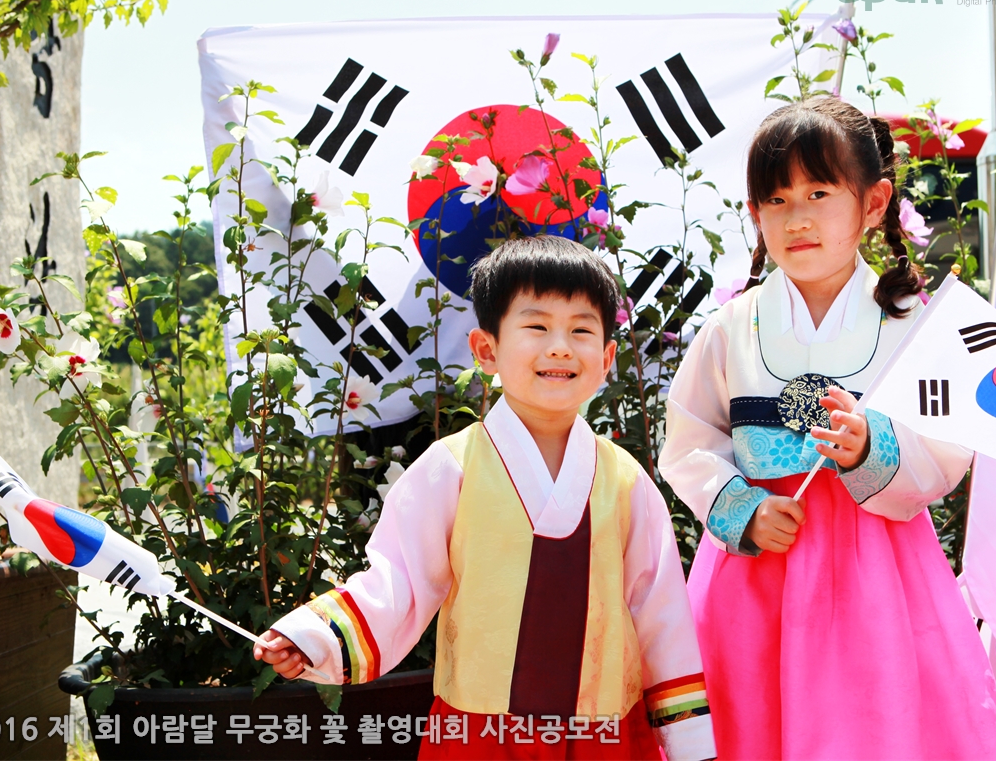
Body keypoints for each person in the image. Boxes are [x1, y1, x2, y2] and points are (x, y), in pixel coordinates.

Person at [255, 235, 716, 760]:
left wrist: (689, 743)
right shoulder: (451, 469)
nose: (560, 347)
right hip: (481, 737)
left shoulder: (627, 482)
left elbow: (661, 616)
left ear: (607, 357)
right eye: (537, 327)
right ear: (486, 350)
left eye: (581, 330)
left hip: (605, 736)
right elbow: (397, 581)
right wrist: (315, 636)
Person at [659, 97, 996, 760]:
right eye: (777, 199)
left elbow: (946, 452)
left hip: (878, 576)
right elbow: (688, 441)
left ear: (873, 203)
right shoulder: (731, 328)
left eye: (818, 193)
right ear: (756, 213)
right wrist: (741, 508)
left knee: (875, 726)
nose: (797, 218)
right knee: (750, 727)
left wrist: (870, 447)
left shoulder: (910, 327)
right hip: (759, 566)